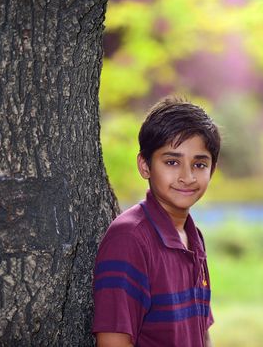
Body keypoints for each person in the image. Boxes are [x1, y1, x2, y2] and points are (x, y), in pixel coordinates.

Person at [92, 96, 221, 347]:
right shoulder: (129, 239)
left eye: (199, 164)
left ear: (212, 170)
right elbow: (112, 342)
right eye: (172, 162)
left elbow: (202, 333)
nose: (187, 176)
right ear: (145, 166)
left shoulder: (193, 236)